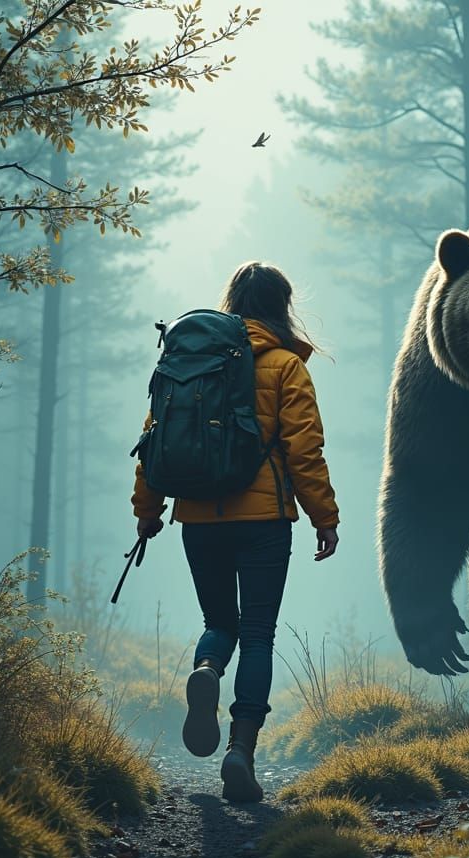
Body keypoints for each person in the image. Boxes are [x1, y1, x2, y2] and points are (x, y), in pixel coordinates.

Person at [131, 262, 340, 802]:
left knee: (218, 622)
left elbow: (153, 440)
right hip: (265, 521)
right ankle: (240, 752)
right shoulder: (284, 365)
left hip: (197, 516)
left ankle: (206, 668)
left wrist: (148, 511)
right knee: (259, 633)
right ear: (282, 305)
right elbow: (304, 451)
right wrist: (325, 518)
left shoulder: (190, 363)